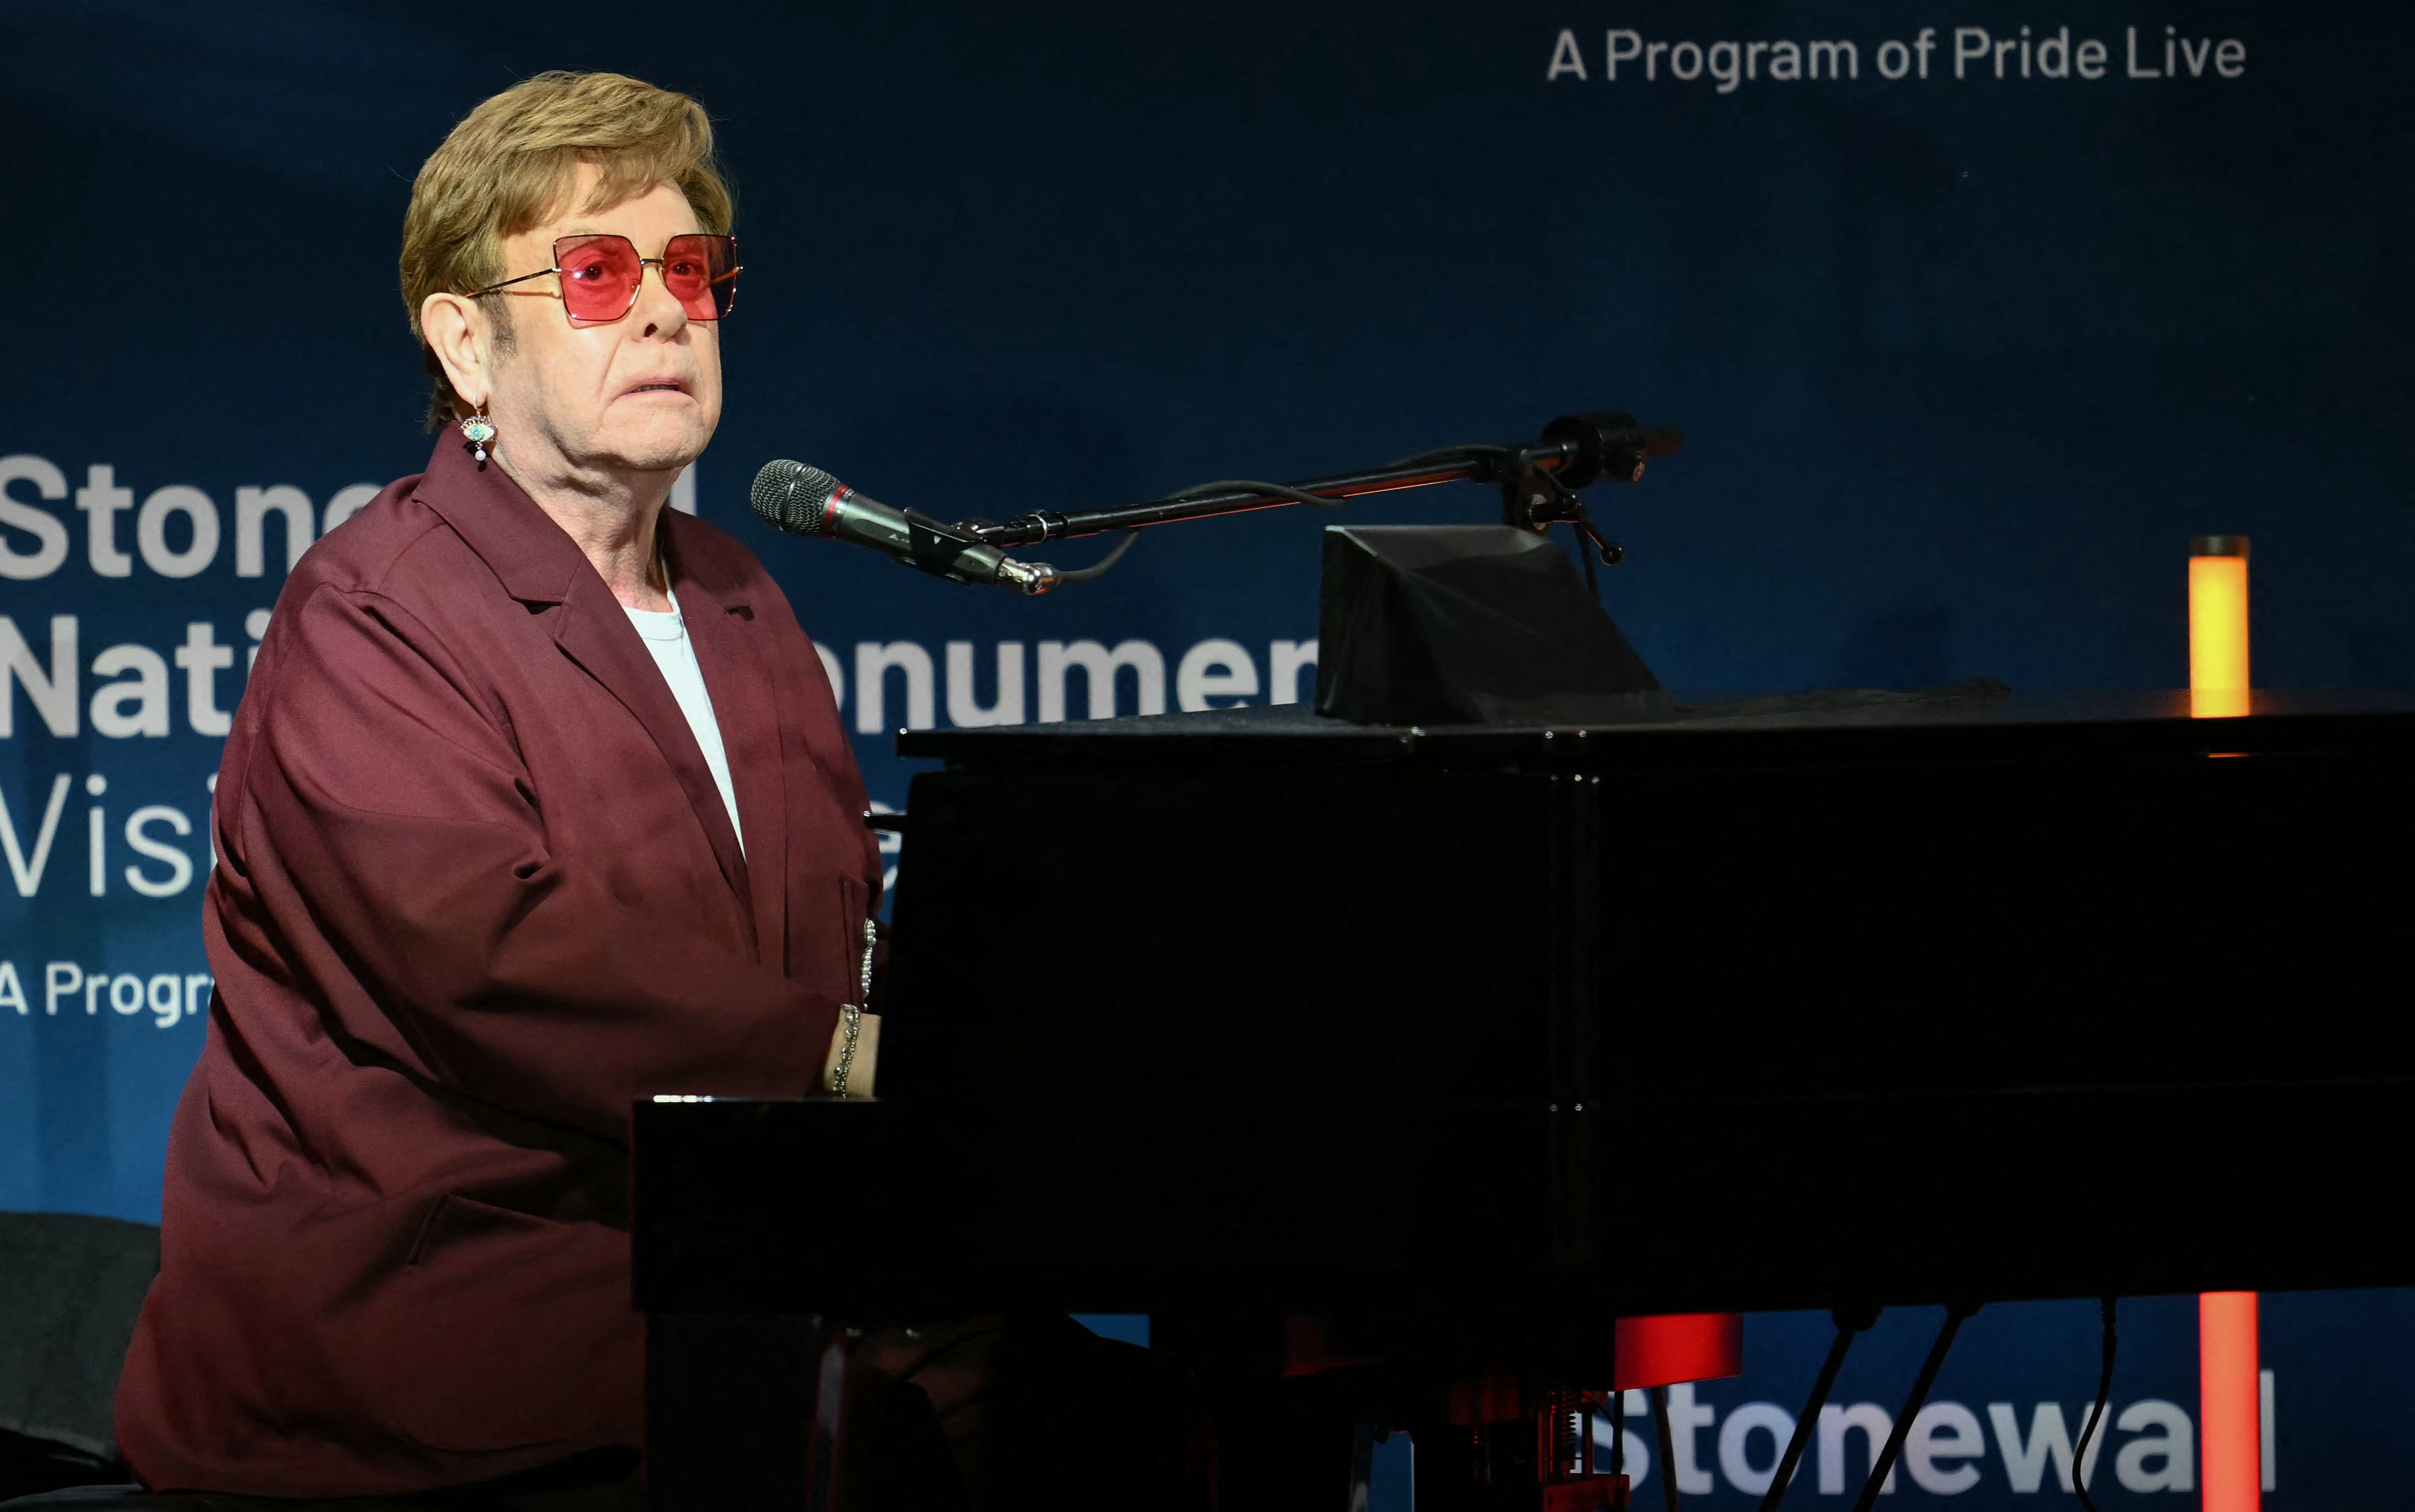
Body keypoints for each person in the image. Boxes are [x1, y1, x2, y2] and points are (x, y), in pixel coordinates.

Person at [109, 72, 888, 1506]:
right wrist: (840, 1060)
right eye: (595, 273)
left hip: (738, 1282)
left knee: (1108, 1421)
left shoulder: (737, 595)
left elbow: (823, 927)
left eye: (691, 270)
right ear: (466, 344)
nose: (663, 310)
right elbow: (491, 959)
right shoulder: (372, 609)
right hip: (446, 1331)